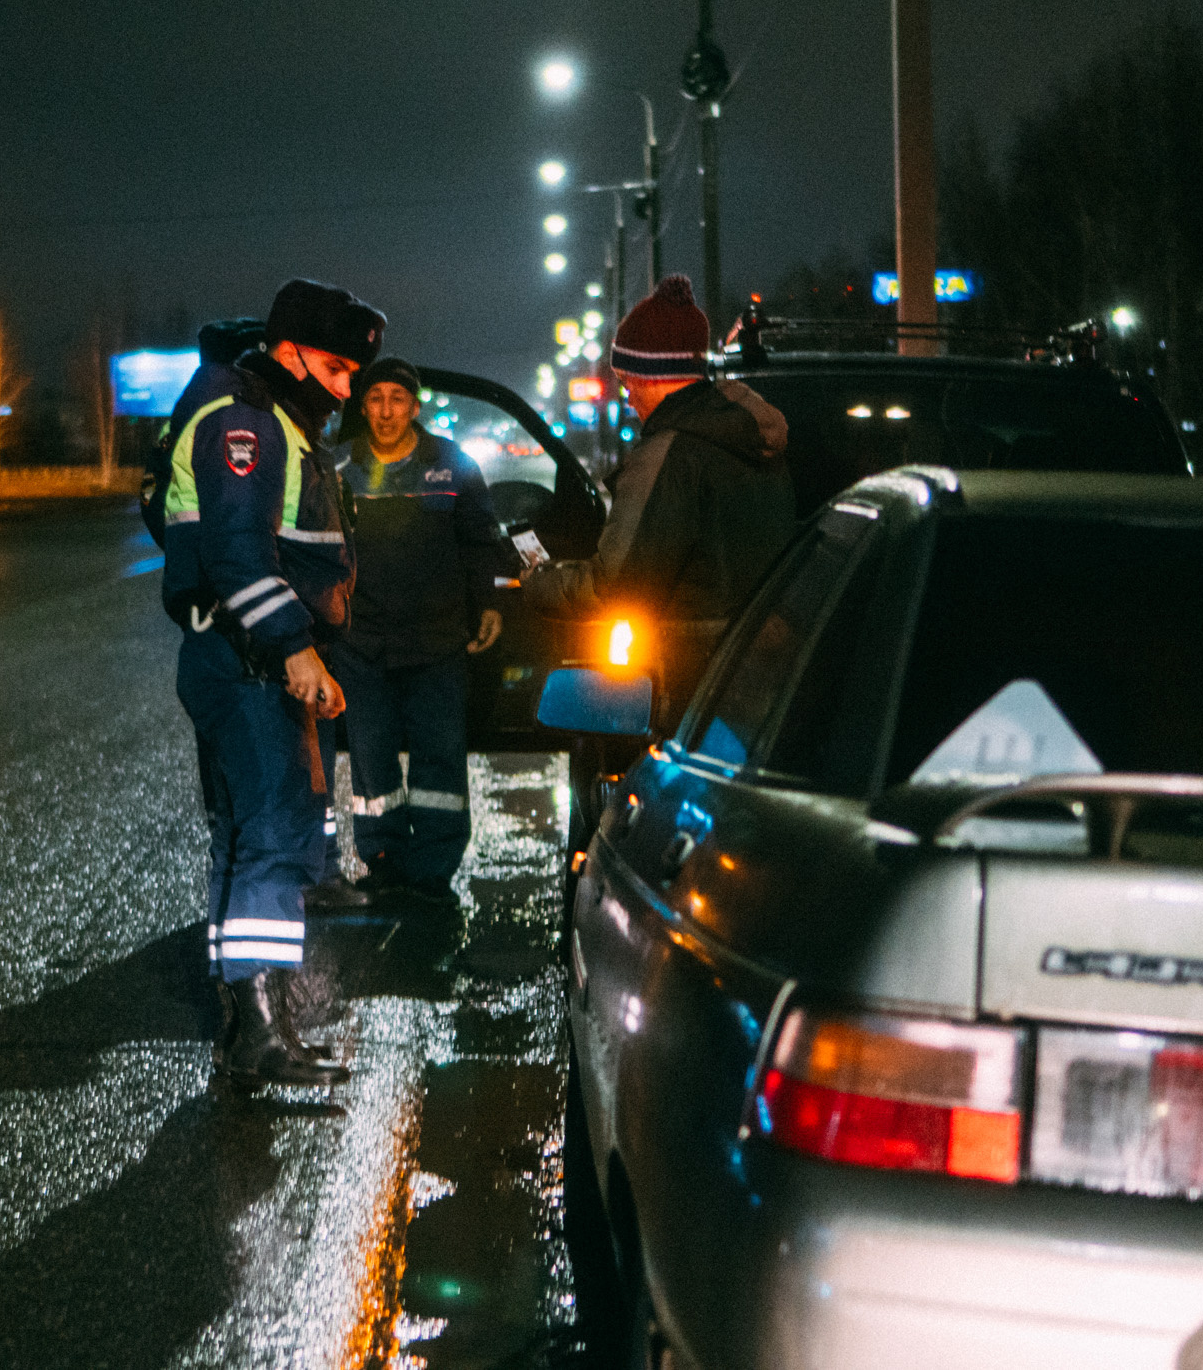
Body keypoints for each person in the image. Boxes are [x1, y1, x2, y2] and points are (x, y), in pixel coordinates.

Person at [160, 277, 384, 1090]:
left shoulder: (264, 413)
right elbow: (238, 551)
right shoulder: (248, 420)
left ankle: (248, 1029)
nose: (345, 385)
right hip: (251, 661)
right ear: (287, 351)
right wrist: (295, 647)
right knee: (278, 839)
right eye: (333, 365)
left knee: (244, 839)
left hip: (234, 655)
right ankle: (261, 1030)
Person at [523, 274, 795, 722]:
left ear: (655, 378)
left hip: (691, 672)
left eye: (628, 382)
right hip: (764, 661)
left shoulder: (669, 454)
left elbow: (621, 585)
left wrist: (540, 582)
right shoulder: (752, 439)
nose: (627, 397)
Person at [326, 357, 517, 901]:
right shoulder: (339, 469)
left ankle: (434, 868)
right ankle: (382, 857)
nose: (386, 411)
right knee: (371, 755)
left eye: (398, 399)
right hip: (361, 643)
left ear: (415, 406)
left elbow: (481, 542)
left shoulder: (452, 465)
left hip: (436, 642)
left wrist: (488, 603)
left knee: (439, 754)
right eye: (375, 399)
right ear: (362, 406)